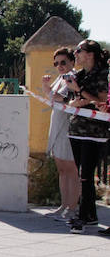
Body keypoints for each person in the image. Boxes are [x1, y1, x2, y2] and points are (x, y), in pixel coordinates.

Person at [63, 40, 109, 234]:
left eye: (79, 51)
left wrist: (80, 93)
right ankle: (90, 216)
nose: (76, 55)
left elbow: (101, 100)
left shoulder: (102, 74)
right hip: (77, 130)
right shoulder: (81, 75)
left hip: (94, 132)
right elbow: (72, 99)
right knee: (82, 173)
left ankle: (83, 216)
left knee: (85, 175)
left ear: (90, 54)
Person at [40, 47, 79, 221]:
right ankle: (64, 205)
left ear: (72, 61)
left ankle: (73, 207)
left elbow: (62, 98)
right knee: (62, 169)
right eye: (56, 63)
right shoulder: (60, 78)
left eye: (63, 62)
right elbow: (52, 96)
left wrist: (48, 89)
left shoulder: (73, 77)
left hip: (68, 126)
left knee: (71, 169)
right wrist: (46, 87)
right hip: (57, 125)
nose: (60, 66)